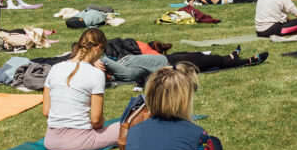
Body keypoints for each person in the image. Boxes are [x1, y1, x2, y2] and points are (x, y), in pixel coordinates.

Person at [43, 28, 120, 150]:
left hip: (50, 141)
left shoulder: (55, 68)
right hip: (79, 142)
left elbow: (47, 111)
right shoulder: (96, 74)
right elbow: (96, 121)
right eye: (103, 50)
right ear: (98, 47)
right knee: (129, 127)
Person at [104, 42, 268, 87]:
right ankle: (249, 61)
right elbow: (129, 75)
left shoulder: (119, 61)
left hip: (172, 58)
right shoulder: (123, 71)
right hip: (175, 65)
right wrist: (103, 60)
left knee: (203, 56)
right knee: (214, 62)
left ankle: (231, 56)